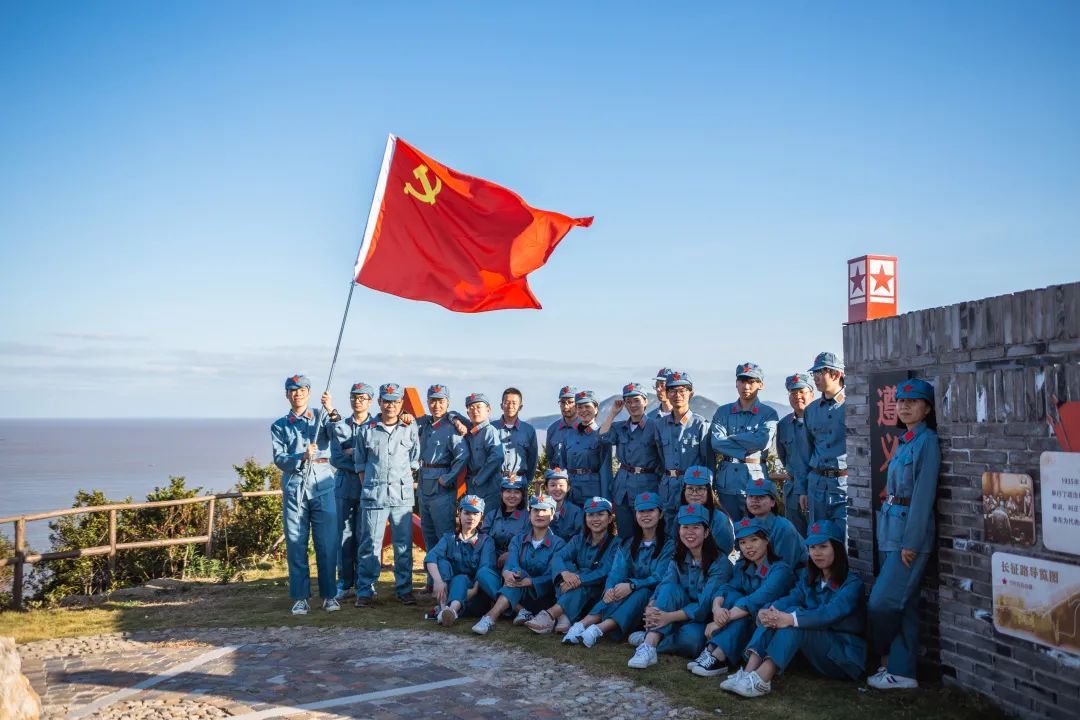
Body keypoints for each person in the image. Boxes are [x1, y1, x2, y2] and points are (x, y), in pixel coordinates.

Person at [722, 519, 866, 698]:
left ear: (836, 548)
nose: (816, 553)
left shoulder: (852, 584)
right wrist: (768, 610)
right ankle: (748, 672)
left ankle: (761, 680)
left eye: (823, 546)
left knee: (793, 622)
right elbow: (793, 597)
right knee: (779, 612)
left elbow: (828, 615)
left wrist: (790, 619)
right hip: (816, 651)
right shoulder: (809, 576)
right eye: (812, 548)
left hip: (844, 656)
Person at [868, 378, 941, 690]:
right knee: (906, 604)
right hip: (890, 528)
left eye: (913, 402)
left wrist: (912, 541)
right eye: (901, 402)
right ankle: (903, 671)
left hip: (909, 535)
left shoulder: (927, 442)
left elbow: (924, 495)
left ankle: (883, 656)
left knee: (881, 602)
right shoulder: (906, 440)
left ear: (926, 408)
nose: (905, 407)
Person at [626, 504, 733, 669]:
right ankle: (648, 646)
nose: (689, 532)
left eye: (696, 528)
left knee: (693, 641)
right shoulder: (678, 557)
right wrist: (653, 604)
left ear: (706, 532)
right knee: (669, 589)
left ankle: (652, 639)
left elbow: (704, 606)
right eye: (685, 527)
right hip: (675, 610)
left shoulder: (720, 563)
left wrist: (667, 618)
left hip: (702, 619)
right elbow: (666, 583)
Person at [687, 517, 795, 678]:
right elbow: (726, 588)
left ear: (767, 541)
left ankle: (719, 655)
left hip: (766, 629)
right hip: (747, 623)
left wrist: (719, 621)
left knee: (744, 609)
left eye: (754, 540)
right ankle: (711, 650)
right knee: (732, 596)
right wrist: (716, 608)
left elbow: (755, 600)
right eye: (743, 542)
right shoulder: (744, 566)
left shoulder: (780, 571)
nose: (748, 546)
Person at [563, 492, 674, 647]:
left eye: (651, 511)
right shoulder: (628, 543)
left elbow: (660, 576)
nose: (646, 515)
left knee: (641, 592)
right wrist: (609, 588)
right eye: (641, 511)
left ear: (660, 514)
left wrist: (632, 585)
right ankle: (581, 625)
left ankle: (598, 630)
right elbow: (617, 571)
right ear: (636, 515)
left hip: (653, 596)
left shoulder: (669, 545)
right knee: (615, 589)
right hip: (627, 589)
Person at [272, 374, 341, 615]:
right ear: (287, 394)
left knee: (327, 544)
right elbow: (279, 458)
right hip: (295, 488)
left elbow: (340, 434)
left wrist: (330, 409)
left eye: (302, 390)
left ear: (309, 392)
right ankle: (300, 597)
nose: (297, 394)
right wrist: (300, 455)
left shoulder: (321, 418)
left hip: (322, 485)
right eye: (293, 390)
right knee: (296, 543)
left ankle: (329, 595)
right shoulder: (279, 425)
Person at [352, 382, 421, 607]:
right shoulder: (367, 429)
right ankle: (365, 590)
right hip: (374, 495)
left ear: (401, 403)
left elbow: (414, 459)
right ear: (380, 402)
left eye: (395, 401)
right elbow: (360, 463)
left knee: (403, 545)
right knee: (369, 543)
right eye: (387, 401)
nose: (391, 405)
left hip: (401, 497)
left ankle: (404, 589)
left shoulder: (410, 428)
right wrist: (370, 486)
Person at [472, 493, 568, 635]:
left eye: (544, 510)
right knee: (488, 573)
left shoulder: (559, 543)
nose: (539, 514)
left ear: (552, 514)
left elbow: (552, 576)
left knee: (518, 579)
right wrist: (509, 573)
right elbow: (511, 563)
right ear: (530, 514)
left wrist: (530, 581)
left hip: (541, 597)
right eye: (535, 510)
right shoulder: (518, 539)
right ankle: (519, 611)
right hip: (517, 591)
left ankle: (490, 617)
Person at [527, 496, 620, 635]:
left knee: (582, 585)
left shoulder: (616, 544)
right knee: (565, 566)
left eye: (600, 514)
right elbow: (558, 556)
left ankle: (550, 614)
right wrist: (565, 573)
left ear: (610, 518)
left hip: (598, 591)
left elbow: (605, 571)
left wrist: (578, 580)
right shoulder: (579, 539)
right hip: (573, 588)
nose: (595, 519)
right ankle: (564, 618)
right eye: (590, 515)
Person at [709, 363, 779, 521]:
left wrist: (731, 439)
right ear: (736, 383)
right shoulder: (723, 412)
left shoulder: (768, 413)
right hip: (728, 481)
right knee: (730, 527)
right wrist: (747, 444)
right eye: (742, 380)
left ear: (760, 385)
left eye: (752, 381)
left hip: (755, 478)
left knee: (758, 529)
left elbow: (762, 442)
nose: (746, 386)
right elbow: (716, 443)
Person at [417, 384, 470, 591]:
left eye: (440, 401)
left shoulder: (452, 427)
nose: (436, 405)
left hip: (441, 487)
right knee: (428, 536)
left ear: (447, 402)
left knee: (444, 538)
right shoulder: (425, 424)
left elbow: (462, 456)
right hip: (423, 485)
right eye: (432, 400)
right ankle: (432, 582)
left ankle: (447, 581)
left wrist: (447, 478)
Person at [599, 382, 662, 537]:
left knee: (647, 533)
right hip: (623, 487)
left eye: (636, 400)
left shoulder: (656, 426)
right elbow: (602, 437)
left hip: (647, 484)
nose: (632, 405)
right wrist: (613, 413)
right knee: (625, 533)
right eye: (628, 401)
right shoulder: (620, 427)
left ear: (645, 401)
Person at [329, 381, 373, 601]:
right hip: (344, 488)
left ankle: (366, 583)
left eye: (362, 398)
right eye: (354, 397)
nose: (358, 401)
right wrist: (361, 460)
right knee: (344, 538)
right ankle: (344, 583)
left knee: (366, 537)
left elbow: (376, 457)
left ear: (370, 401)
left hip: (368, 489)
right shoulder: (339, 424)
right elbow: (336, 458)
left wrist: (353, 453)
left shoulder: (377, 425)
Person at [425, 495, 496, 627]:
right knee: (442, 561)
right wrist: (438, 581)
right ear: (459, 513)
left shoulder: (486, 541)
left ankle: (447, 610)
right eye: (467, 513)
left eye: (475, 513)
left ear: (481, 516)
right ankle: (447, 609)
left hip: (475, 596)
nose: (471, 517)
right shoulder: (449, 538)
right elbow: (431, 557)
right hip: (450, 591)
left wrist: (474, 590)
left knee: (461, 579)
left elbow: (485, 569)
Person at [654, 371, 711, 531]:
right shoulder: (660, 425)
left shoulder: (700, 424)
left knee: (692, 526)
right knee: (667, 529)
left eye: (682, 391)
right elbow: (660, 456)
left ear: (690, 394)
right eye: (672, 390)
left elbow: (707, 460)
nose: (677, 395)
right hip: (667, 486)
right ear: (667, 393)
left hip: (692, 487)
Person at [802, 352, 848, 534]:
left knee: (844, 538)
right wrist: (803, 488)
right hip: (817, 485)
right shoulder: (811, 410)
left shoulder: (853, 406)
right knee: (818, 537)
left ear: (836, 374)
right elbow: (806, 451)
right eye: (814, 374)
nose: (815, 378)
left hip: (843, 483)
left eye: (820, 373)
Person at [772, 373, 814, 536]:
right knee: (795, 538)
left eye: (802, 392)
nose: (798, 397)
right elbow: (783, 456)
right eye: (793, 393)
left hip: (815, 489)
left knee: (819, 538)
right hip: (792, 492)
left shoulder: (819, 420)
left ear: (811, 394)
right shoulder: (784, 425)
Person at [558, 390, 613, 506]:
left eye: (587, 406)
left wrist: (606, 500)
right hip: (570, 491)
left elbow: (605, 470)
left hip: (592, 491)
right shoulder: (569, 435)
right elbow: (562, 465)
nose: (583, 410)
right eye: (579, 407)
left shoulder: (602, 435)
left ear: (596, 409)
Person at [744, 478, 807, 568]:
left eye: (761, 496)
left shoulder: (783, 527)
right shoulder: (748, 525)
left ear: (772, 502)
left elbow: (784, 567)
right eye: (750, 496)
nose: (754, 500)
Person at [678, 466, 735, 556]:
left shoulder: (720, 519)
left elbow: (725, 550)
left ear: (709, 491)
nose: (694, 493)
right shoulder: (680, 515)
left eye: (700, 488)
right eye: (690, 488)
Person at [462, 392, 505, 513]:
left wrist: (480, 478)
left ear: (488, 410)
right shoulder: (471, 433)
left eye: (478, 407)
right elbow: (453, 415)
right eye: (471, 408)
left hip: (489, 485)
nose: (475, 411)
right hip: (472, 484)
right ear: (467, 413)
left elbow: (497, 456)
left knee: (488, 522)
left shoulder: (489, 431)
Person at [479, 475, 530, 569]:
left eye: (517, 492)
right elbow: (482, 540)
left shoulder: (528, 517)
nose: (512, 496)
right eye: (508, 491)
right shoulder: (492, 515)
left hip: (515, 564)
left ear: (522, 495)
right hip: (490, 562)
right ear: (502, 493)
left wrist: (511, 554)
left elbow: (529, 544)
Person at [493, 387, 539, 486]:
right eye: (507, 402)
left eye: (514, 403)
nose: (510, 406)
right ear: (501, 406)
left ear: (520, 407)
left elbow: (532, 460)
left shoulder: (529, 430)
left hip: (519, 482)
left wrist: (526, 481)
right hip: (494, 482)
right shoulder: (491, 428)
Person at [545, 467, 585, 540]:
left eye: (561, 485)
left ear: (568, 488)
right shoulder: (540, 510)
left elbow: (579, 539)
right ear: (546, 488)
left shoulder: (576, 512)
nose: (557, 489)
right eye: (553, 485)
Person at [546, 385, 579, 471]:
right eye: (563, 402)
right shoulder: (552, 429)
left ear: (578, 404)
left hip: (581, 480)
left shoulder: (585, 428)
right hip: (559, 480)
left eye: (570, 402)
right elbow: (550, 458)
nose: (566, 406)